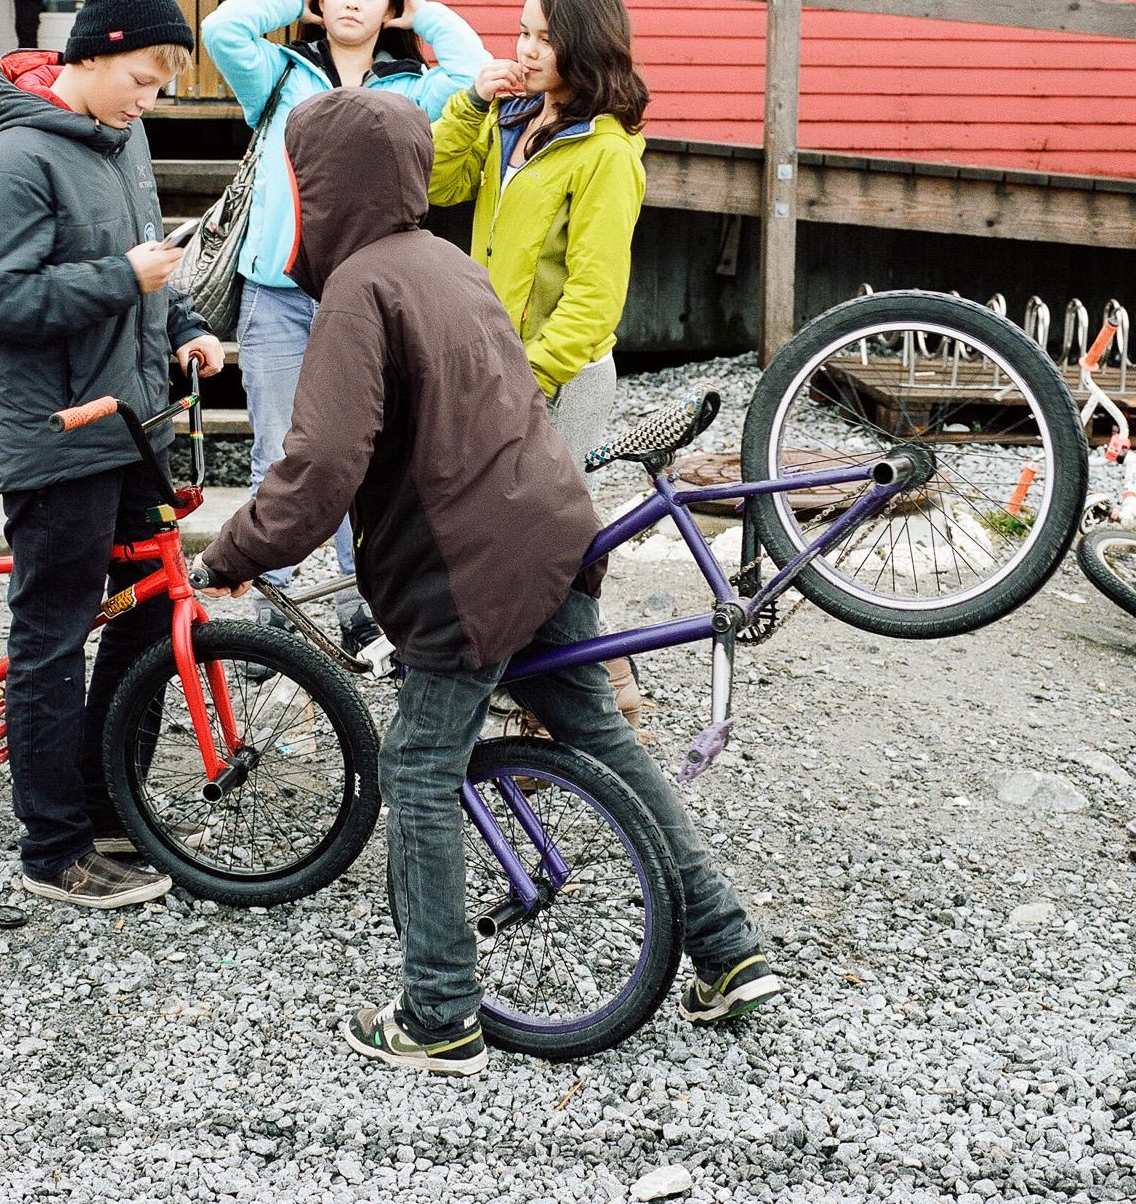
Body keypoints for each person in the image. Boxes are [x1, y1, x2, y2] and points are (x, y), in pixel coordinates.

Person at [197, 89, 779, 1075]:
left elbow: (321, 467)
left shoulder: (356, 290)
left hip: (467, 570)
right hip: (550, 534)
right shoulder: (446, 264)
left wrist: (231, 550)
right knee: (597, 733)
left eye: (297, 177)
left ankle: (438, 1013)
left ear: (324, 185)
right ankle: (726, 945)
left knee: (418, 767)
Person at [0, 0, 226, 910]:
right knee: (53, 636)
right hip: (56, 436)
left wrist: (182, 319)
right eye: (142, 79)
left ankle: (113, 807)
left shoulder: (123, 136)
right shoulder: (15, 161)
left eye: (159, 86)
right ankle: (54, 847)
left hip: (131, 424)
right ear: (93, 53)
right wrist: (119, 278)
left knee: (145, 615)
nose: (150, 100)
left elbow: (150, 258)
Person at [199, 0, 483, 652]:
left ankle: (364, 608)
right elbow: (222, 29)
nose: (353, 1)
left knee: (366, 450)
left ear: (388, 10)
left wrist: (428, 16)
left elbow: (475, 74)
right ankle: (276, 611)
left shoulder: (413, 88)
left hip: (369, 297)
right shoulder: (277, 74)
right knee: (279, 450)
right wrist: (291, 0)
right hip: (278, 289)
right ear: (322, 0)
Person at [429, 0, 652, 721]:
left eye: (542, 38)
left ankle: (577, 696)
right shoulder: (510, 114)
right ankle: (581, 689)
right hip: (497, 366)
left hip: (563, 376)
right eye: (520, 30)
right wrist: (469, 102)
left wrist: (531, 377)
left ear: (584, 47)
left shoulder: (608, 151)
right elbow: (434, 184)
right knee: (523, 537)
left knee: (539, 540)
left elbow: (595, 299)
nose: (523, 48)